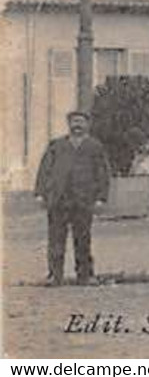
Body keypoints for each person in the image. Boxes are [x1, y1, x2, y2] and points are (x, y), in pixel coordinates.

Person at [34, 109, 111, 286]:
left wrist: (101, 198)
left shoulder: (94, 147)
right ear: (69, 124)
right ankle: (55, 275)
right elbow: (44, 170)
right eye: (74, 121)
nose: (77, 125)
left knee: (83, 239)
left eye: (81, 122)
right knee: (56, 239)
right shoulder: (56, 145)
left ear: (87, 124)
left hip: (83, 200)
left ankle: (85, 275)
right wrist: (40, 194)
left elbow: (103, 174)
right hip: (59, 199)